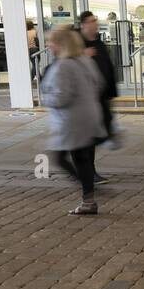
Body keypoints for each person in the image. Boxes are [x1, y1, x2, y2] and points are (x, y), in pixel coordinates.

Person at [39, 27, 104, 216]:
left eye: (51, 42)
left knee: (61, 158)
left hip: (71, 121)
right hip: (88, 116)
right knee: (82, 159)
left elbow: (61, 97)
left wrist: (46, 99)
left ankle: (88, 194)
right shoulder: (85, 60)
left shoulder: (64, 65)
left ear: (60, 44)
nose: (49, 46)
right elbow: (98, 84)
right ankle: (89, 198)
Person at [79, 11, 118, 184]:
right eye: (91, 21)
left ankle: (88, 171)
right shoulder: (78, 45)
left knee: (97, 135)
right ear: (83, 25)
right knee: (88, 137)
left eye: (95, 21)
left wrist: (111, 93)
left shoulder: (99, 43)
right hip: (85, 101)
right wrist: (82, 55)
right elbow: (65, 63)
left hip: (100, 98)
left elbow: (108, 67)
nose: (94, 24)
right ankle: (86, 174)